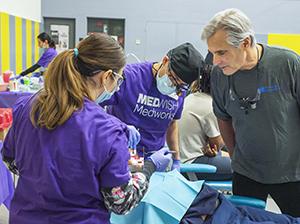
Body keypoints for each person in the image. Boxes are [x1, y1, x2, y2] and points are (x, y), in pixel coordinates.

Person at [1, 33, 172, 224]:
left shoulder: (27, 107)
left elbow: (10, 160)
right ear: (107, 76)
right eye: (119, 79)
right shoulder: (108, 132)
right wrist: (149, 167)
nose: (117, 87)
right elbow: (120, 202)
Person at [201, 8, 300, 217]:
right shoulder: (220, 76)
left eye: (221, 52)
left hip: (292, 174)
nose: (214, 61)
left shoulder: (288, 64)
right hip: (247, 173)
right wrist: (235, 155)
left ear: (245, 43)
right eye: (212, 53)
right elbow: (223, 117)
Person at [100, 42, 206, 172]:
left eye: (180, 85)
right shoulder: (130, 77)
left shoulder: (179, 91)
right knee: (131, 187)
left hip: (155, 158)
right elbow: (91, 107)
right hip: (122, 155)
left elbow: (172, 123)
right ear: (165, 61)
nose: (174, 86)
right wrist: (116, 125)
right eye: (173, 79)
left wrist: (176, 159)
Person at [178, 64, 232, 181]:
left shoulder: (193, 98)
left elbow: (213, 149)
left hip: (184, 159)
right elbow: (217, 146)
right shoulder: (210, 107)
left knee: (238, 159)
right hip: (193, 164)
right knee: (246, 168)